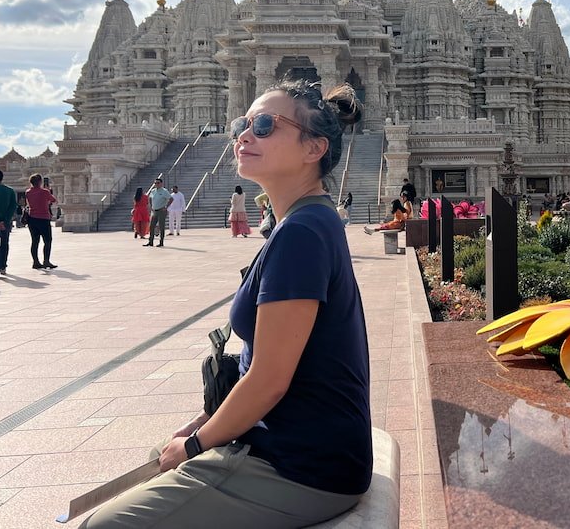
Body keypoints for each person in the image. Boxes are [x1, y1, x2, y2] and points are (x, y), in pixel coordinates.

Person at [82, 79, 369, 529]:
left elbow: (270, 380)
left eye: (266, 125)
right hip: (298, 444)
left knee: (102, 526)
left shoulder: (302, 233)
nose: (244, 135)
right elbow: (267, 363)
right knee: (159, 456)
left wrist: (197, 445)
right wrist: (202, 423)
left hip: (304, 465)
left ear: (314, 149)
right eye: (243, 123)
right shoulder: (302, 221)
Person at [26, 173, 58, 269]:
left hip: (32, 218)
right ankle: (46, 261)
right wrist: (48, 191)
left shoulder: (28, 192)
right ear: (40, 182)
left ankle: (35, 262)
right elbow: (53, 200)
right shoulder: (45, 192)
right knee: (47, 241)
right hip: (43, 218)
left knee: (35, 241)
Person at [144, 177, 172, 247]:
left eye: (158, 183)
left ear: (161, 184)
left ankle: (161, 242)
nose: (156, 184)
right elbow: (150, 198)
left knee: (161, 227)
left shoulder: (164, 191)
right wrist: (151, 206)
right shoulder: (153, 191)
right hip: (154, 211)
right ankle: (150, 241)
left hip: (161, 210)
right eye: (155, 183)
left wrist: (166, 207)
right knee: (151, 226)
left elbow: (171, 199)